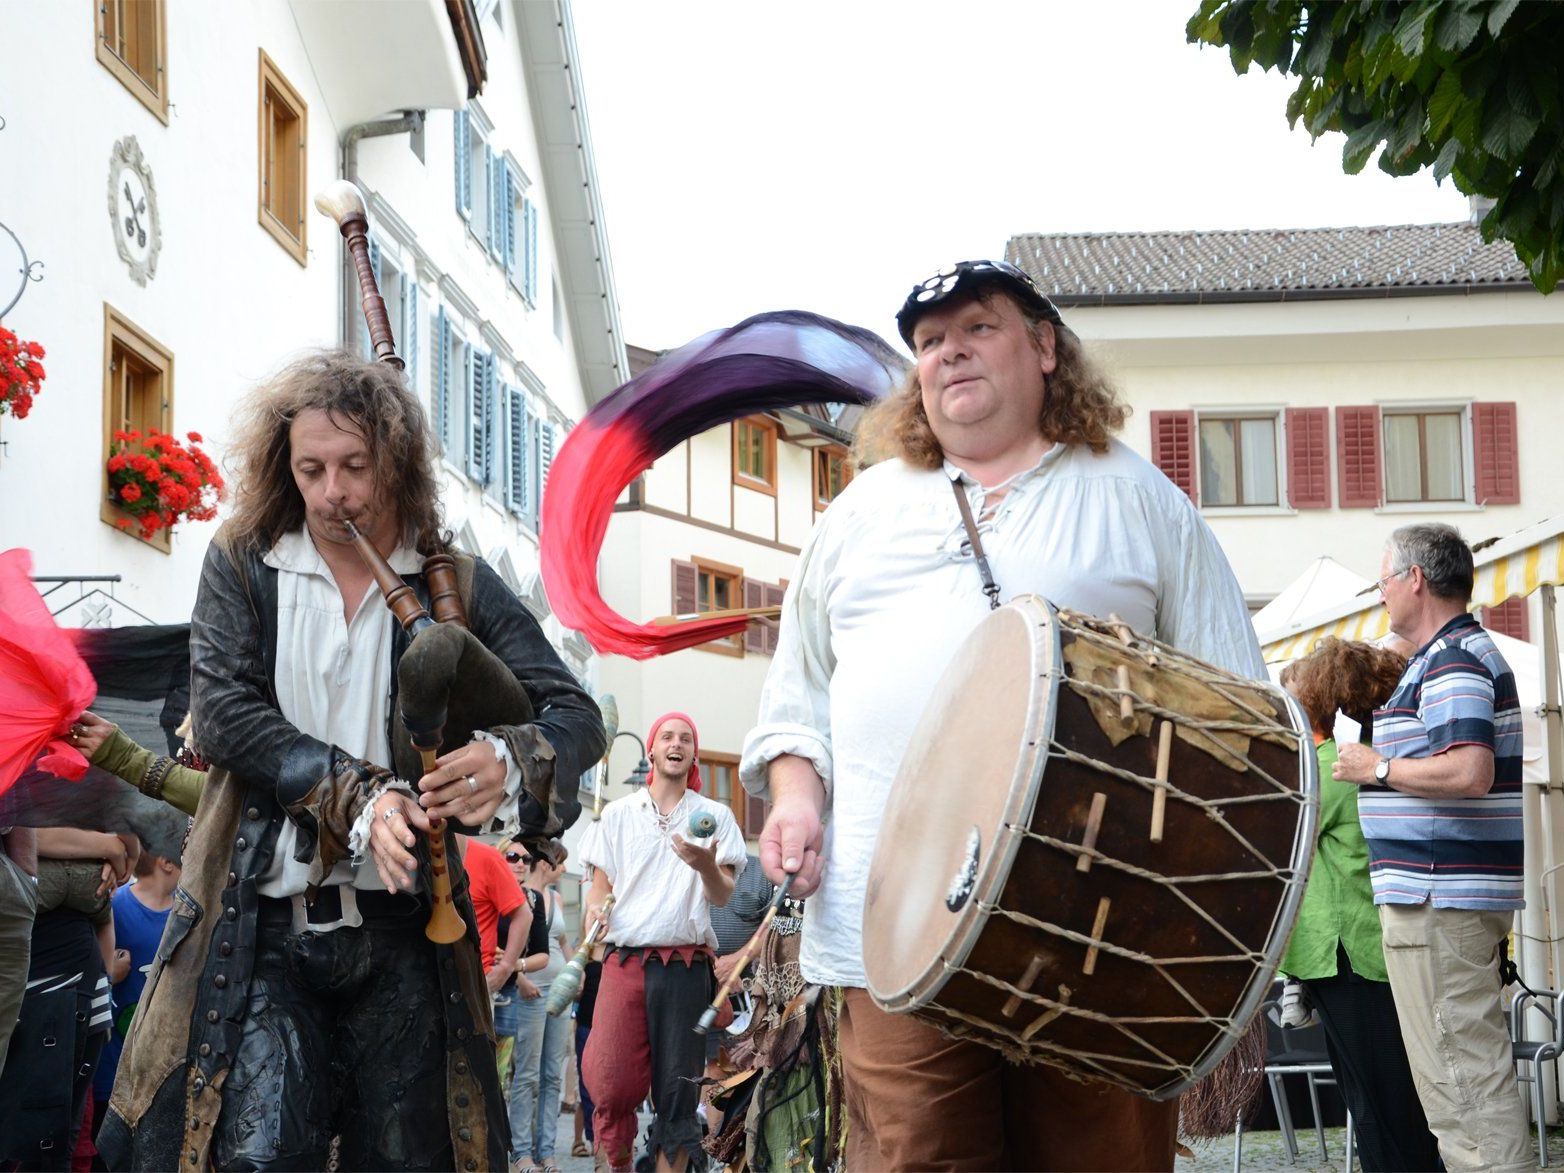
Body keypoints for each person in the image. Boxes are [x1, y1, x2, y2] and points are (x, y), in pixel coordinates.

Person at [741, 259, 1265, 1170]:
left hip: (1101, 925)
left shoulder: (1141, 501)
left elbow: (1239, 713)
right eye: (930, 343)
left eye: (977, 328)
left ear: (1046, 346)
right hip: (893, 928)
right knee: (917, 1157)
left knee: (1099, 1159)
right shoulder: (857, 515)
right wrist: (794, 798)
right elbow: (796, 704)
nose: (949, 355)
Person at [99, 350, 606, 1171]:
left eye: (354, 466)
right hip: (262, 927)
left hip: (408, 929)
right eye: (311, 468)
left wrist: (504, 757)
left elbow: (575, 714)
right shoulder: (247, 562)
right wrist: (359, 795)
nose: (333, 491)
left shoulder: (455, 584)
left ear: (394, 462)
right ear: (286, 468)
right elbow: (225, 715)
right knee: (255, 1157)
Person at [1332, 523, 1530, 1173]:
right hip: (1438, 896)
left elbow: (1469, 770)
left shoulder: (1452, 660)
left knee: (1463, 1081)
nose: (1383, 595)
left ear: (1415, 579)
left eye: (1385, 581)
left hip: (1439, 897)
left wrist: (1377, 768)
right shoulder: (1445, 655)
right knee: (1456, 1083)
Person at [1277, 639, 1439, 1172]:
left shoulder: (1330, 765)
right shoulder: (1388, 757)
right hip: (1376, 948)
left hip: (1349, 954)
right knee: (1390, 1101)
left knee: (1380, 1109)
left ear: (1324, 699)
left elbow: (1277, 841)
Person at [580, 712, 747, 1172]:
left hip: (685, 966)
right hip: (623, 963)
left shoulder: (714, 816)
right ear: (651, 750)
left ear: (693, 754)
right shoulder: (616, 814)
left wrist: (705, 866)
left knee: (677, 1094)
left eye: (687, 738)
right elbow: (599, 885)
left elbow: (722, 893)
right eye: (667, 736)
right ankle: (612, 1164)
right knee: (609, 1083)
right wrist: (596, 908)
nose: (677, 743)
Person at [89, 847, 182, 1166]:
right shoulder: (116, 906)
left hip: (161, 1072)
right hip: (111, 1068)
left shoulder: (185, 915)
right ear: (166, 862)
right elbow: (89, 974)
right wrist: (109, 975)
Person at [510, 849, 573, 1173]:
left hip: (560, 992)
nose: (563, 867)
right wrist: (518, 978)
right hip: (532, 991)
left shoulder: (556, 899)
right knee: (527, 1074)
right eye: (560, 861)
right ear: (545, 863)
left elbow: (562, 944)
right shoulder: (517, 893)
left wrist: (578, 968)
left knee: (552, 1074)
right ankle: (521, 1152)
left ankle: (546, 1152)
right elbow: (503, 946)